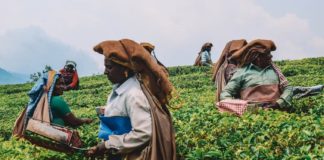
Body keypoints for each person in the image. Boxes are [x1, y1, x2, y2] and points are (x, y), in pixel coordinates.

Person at [87, 39, 176, 160]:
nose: (105, 72)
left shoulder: (134, 95)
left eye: (109, 67)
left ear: (125, 69)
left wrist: (107, 145)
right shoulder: (120, 89)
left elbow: (143, 133)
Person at [220, 39, 293, 110]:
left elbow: (288, 88)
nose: (271, 56)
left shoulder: (275, 70)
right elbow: (226, 93)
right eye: (267, 54)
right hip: (252, 115)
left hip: (277, 112)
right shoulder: (242, 72)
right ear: (257, 57)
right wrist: (240, 107)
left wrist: (279, 103)